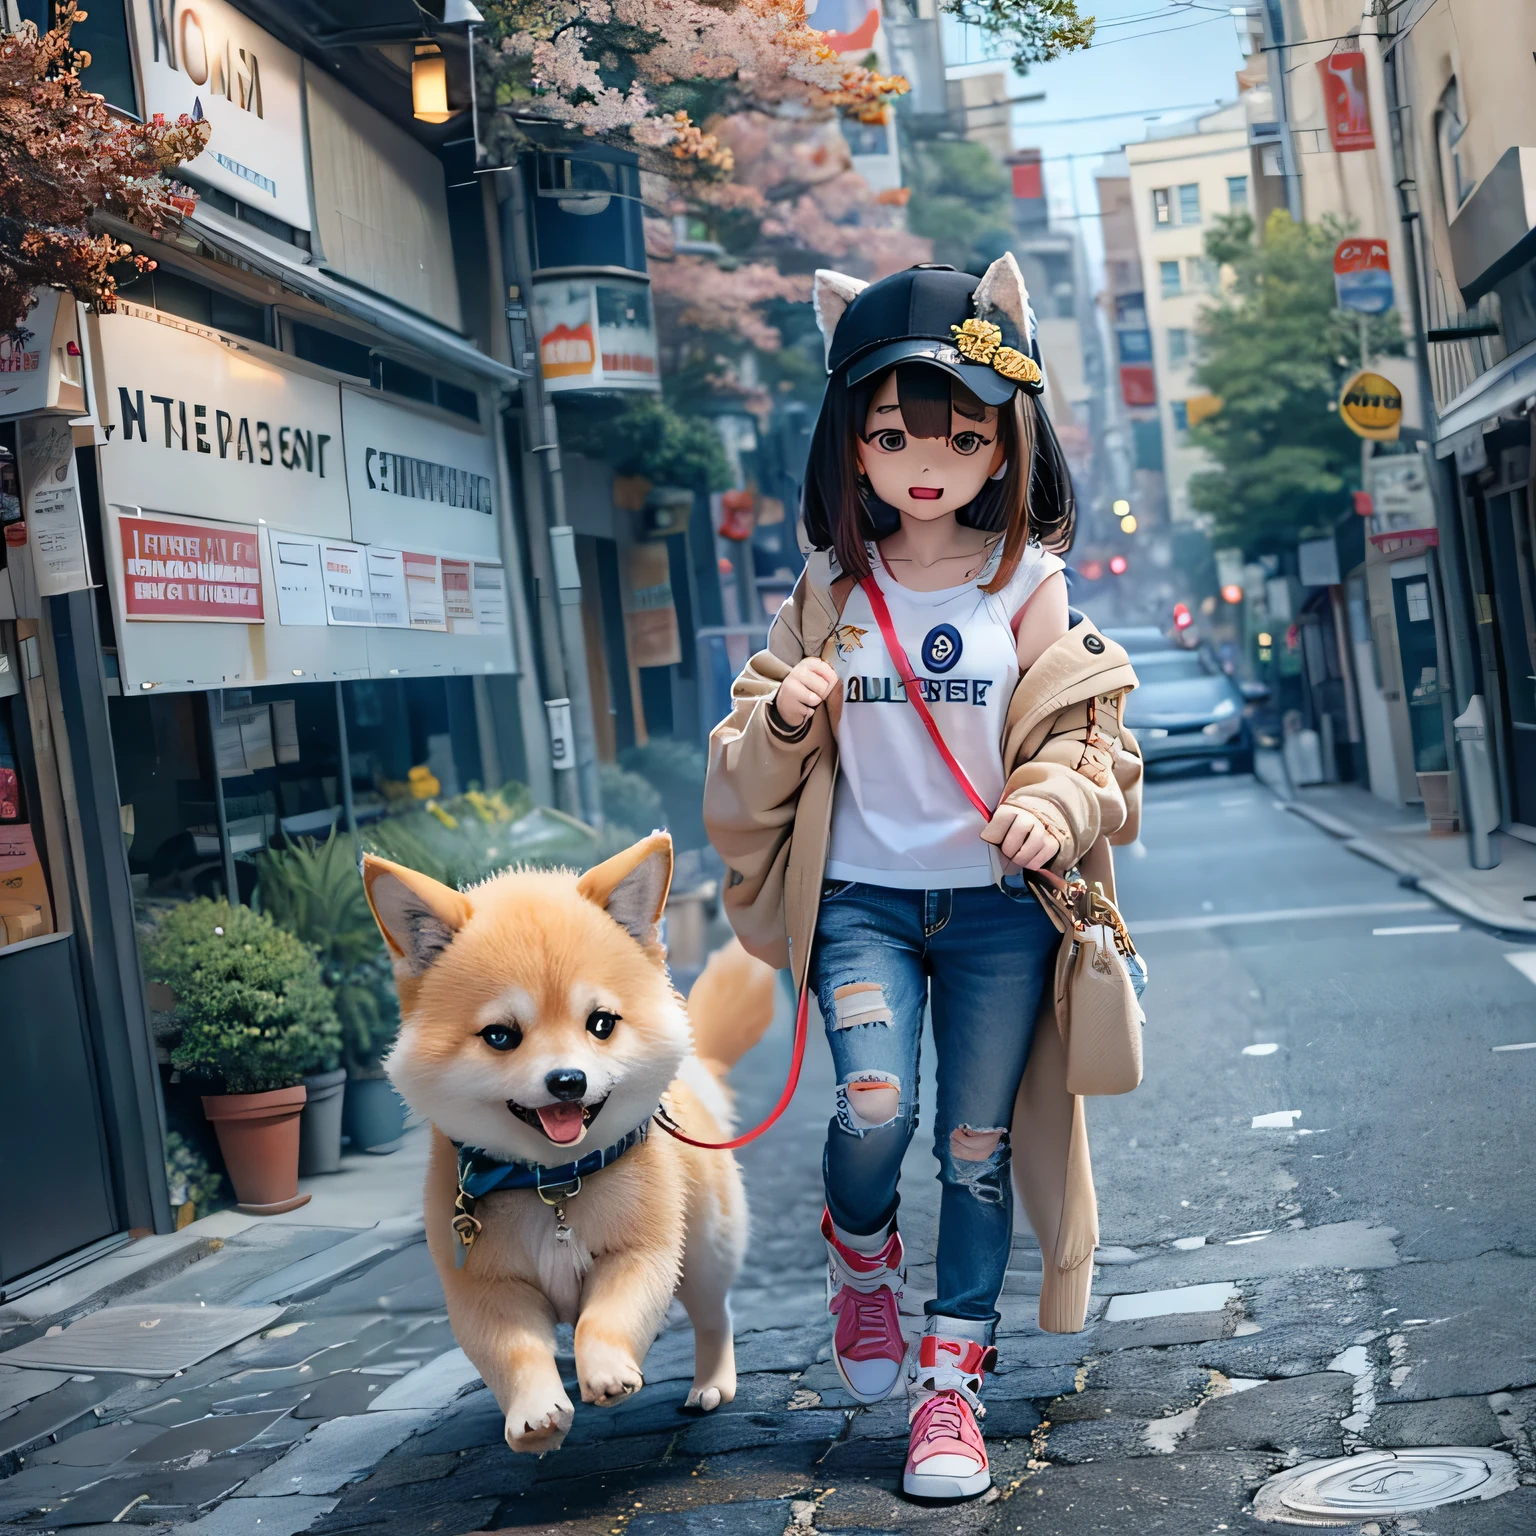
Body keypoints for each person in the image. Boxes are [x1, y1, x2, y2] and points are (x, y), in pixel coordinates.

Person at [704, 259, 1140, 1501]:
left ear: (1006, 446)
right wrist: (786, 716)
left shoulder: (1030, 585)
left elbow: (1089, 741)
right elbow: (740, 770)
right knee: (875, 1112)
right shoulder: (828, 591)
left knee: (974, 1147)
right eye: (893, 436)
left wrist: (1051, 806)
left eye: (959, 434)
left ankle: (950, 1391)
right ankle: (858, 1252)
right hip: (861, 906)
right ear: (854, 448)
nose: (926, 461)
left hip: (1002, 915)